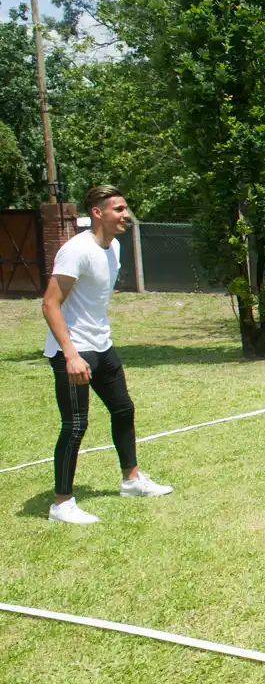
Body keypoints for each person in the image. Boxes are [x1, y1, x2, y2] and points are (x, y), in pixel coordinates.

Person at [41, 185, 173, 524]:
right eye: (119, 209)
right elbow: (50, 304)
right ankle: (61, 504)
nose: (125, 215)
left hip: (102, 345)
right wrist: (70, 354)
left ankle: (131, 480)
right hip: (73, 350)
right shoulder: (76, 251)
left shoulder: (113, 247)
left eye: (125, 208)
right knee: (74, 425)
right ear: (98, 212)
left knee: (123, 409)